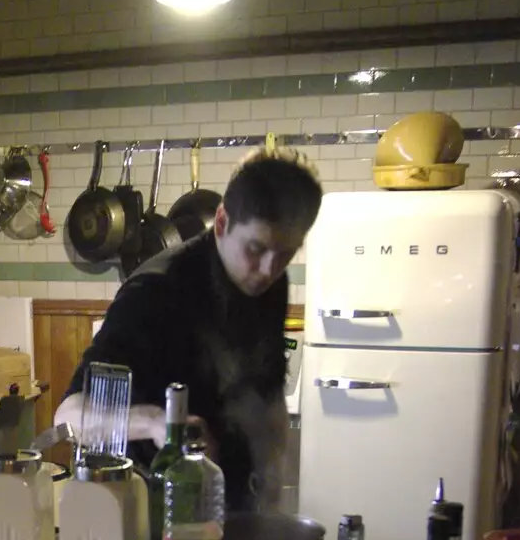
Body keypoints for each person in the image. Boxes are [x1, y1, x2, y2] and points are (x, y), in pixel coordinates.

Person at [54, 150, 323, 510]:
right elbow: (69, 416)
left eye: (286, 254)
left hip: (227, 501)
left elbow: (267, 390)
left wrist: (273, 472)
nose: (268, 270)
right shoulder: (155, 293)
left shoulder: (272, 283)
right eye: (256, 249)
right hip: (148, 506)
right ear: (223, 222)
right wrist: (154, 422)